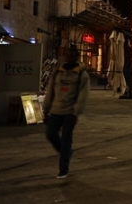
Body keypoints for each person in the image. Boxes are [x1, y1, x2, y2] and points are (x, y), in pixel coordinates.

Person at [43, 45, 90, 179]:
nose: (68, 57)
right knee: (50, 134)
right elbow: (50, 91)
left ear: (76, 57)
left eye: (71, 55)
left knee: (66, 139)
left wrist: (76, 112)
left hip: (70, 112)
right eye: (67, 55)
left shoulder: (81, 74)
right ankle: (67, 153)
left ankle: (63, 169)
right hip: (56, 110)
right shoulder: (58, 72)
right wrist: (46, 109)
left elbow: (83, 94)